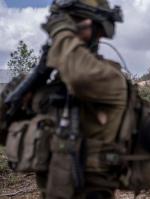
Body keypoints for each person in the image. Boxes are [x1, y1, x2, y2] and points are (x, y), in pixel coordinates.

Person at [37, 0, 127, 198]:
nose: (68, 25)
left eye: (75, 20)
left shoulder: (110, 77)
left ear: (97, 28)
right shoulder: (53, 83)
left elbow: (79, 75)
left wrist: (61, 31)